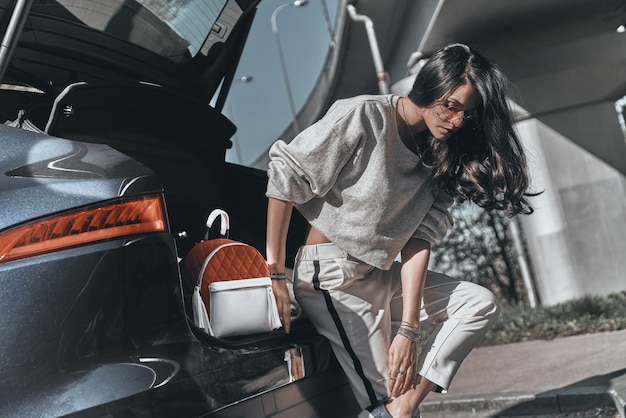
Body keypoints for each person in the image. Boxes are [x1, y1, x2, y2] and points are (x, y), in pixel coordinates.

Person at [265, 43, 534, 418]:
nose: (456, 120)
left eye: (467, 114)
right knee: (384, 405)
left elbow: (419, 241)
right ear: (431, 87)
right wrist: (274, 271)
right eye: (451, 106)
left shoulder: (443, 154)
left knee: (477, 304)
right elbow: (285, 179)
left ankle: (406, 405)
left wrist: (408, 330)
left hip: (384, 273)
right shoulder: (363, 115)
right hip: (332, 276)